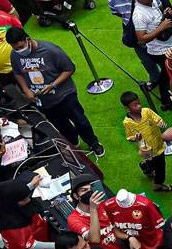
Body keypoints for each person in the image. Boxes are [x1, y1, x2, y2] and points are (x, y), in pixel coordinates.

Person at [7, 27, 105, 157]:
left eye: (20, 47)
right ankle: (73, 142)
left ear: (28, 39)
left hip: (65, 95)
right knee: (61, 125)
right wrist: (26, 90)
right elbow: (18, 72)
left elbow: (69, 68)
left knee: (80, 120)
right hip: (43, 100)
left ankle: (93, 143)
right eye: (15, 48)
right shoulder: (15, 55)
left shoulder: (50, 50)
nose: (19, 51)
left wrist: (53, 84)